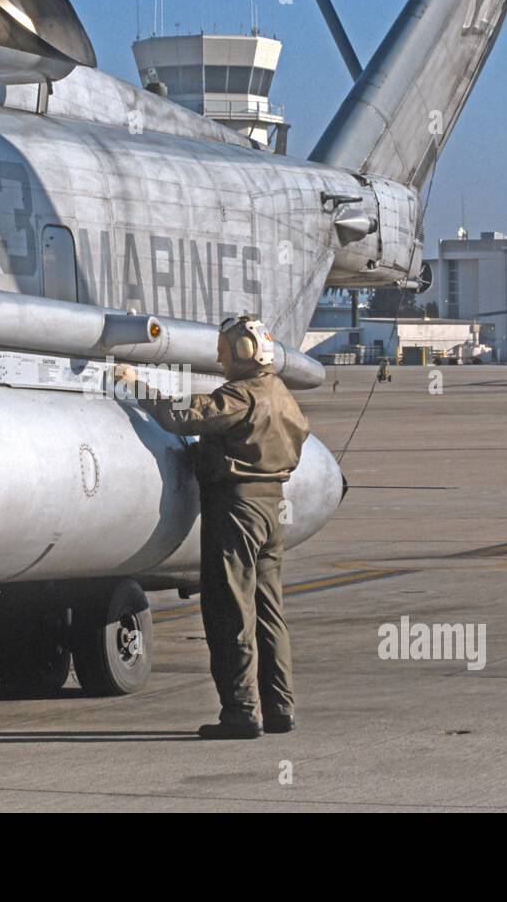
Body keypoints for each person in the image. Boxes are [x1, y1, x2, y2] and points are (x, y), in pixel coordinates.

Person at [113, 315, 310, 740]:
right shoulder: (281, 394)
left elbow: (181, 416)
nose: (219, 356)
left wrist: (134, 385)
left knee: (230, 612)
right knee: (270, 614)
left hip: (235, 510)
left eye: (224, 348)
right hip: (272, 509)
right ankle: (280, 708)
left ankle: (241, 712)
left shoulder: (241, 397)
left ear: (242, 352)